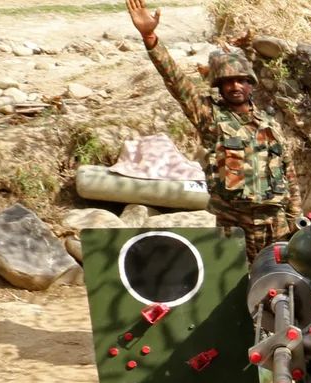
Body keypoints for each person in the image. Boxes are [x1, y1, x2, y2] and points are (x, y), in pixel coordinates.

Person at [128, 0, 300, 260]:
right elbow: (176, 82)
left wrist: (295, 222)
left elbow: (290, 176)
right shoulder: (210, 117)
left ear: (250, 85)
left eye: (240, 81)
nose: (234, 87)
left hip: (275, 224)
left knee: (280, 285)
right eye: (227, 82)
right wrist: (150, 37)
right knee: (233, 290)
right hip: (234, 225)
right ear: (219, 86)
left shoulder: (270, 125)